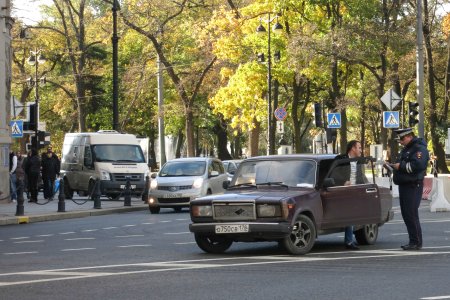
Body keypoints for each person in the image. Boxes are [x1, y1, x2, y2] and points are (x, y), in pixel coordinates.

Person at [391, 128, 429, 251]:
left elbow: (418, 165)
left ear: (409, 136)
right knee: (407, 214)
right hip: (404, 185)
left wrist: (400, 166)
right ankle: (413, 241)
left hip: (413, 185)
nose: (401, 142)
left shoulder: (419, 148)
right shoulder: (407, 149)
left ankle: (416, 242)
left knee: (411, 213)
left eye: (402, 139)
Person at [335, 140, 364, 250]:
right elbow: (333, 175)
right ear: (353, 148)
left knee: (353, 215)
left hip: (355, 191)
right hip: (342, 192)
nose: (361, 150)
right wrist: (343, 182)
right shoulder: (340, 160)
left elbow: (361, 177)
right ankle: (349, 241)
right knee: (350, 214)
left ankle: (350, 240)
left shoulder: (359, 161)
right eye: (359, 148)